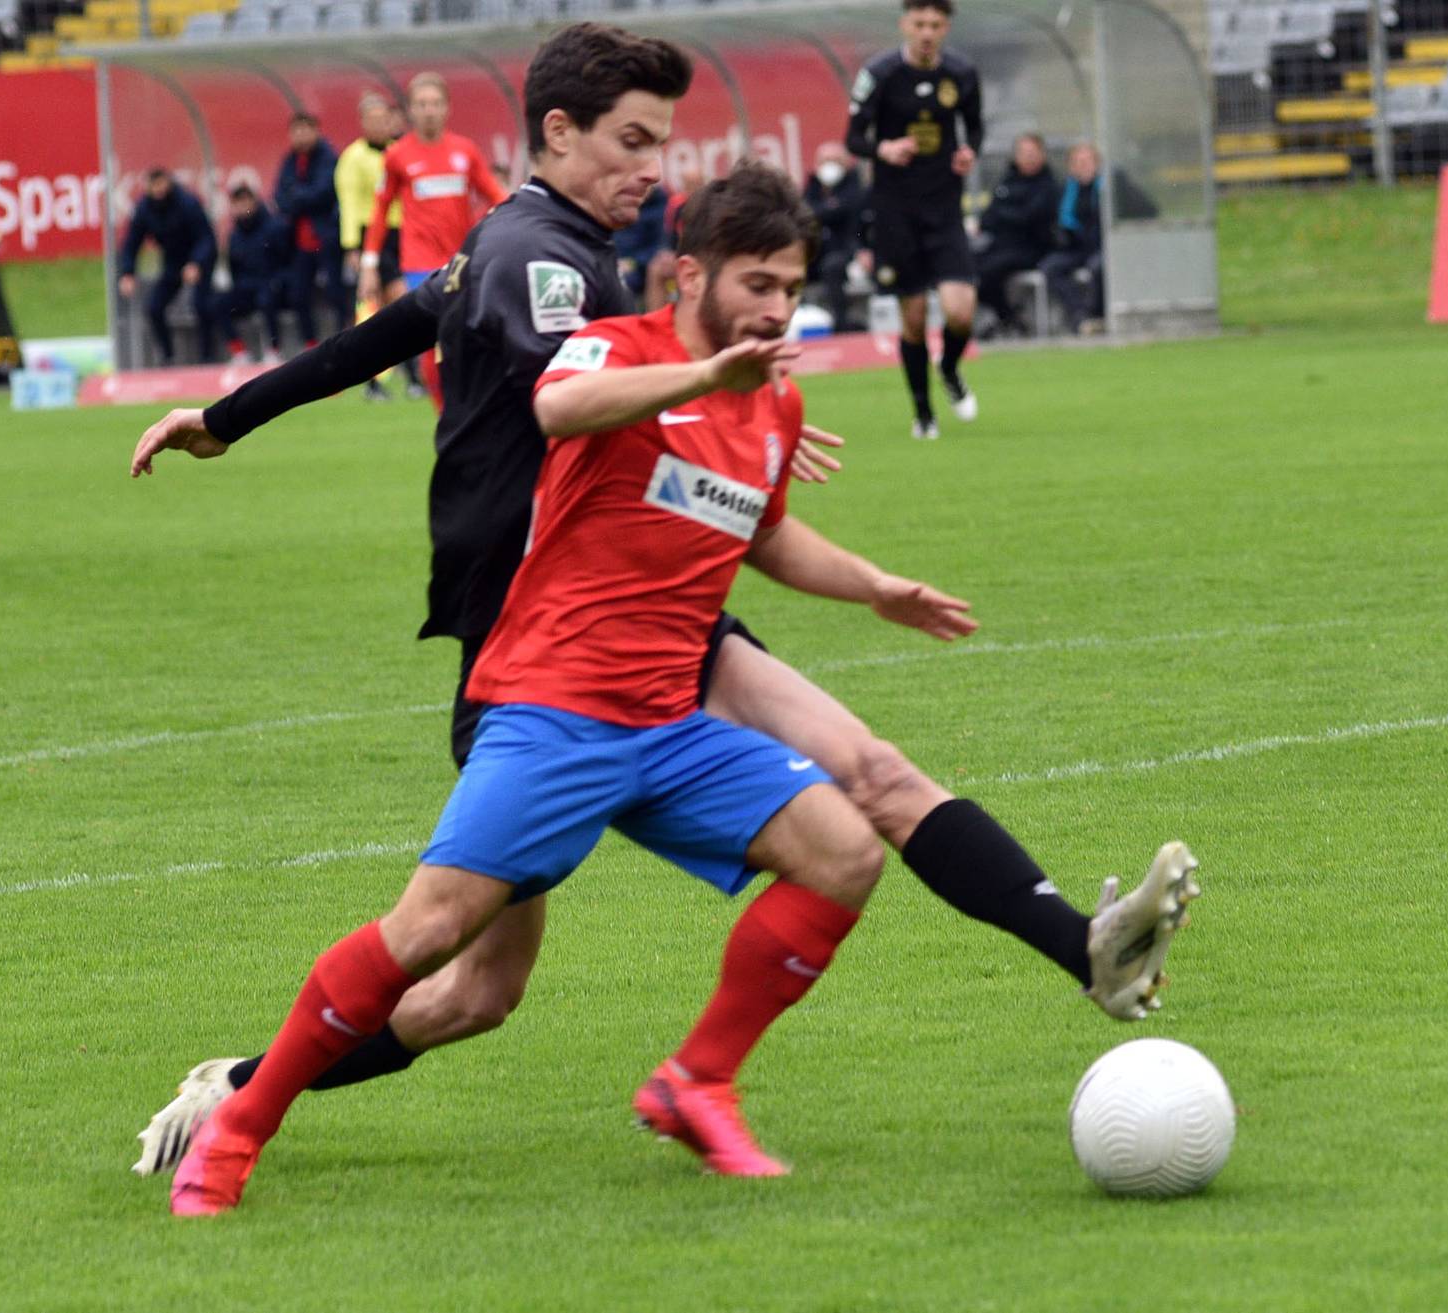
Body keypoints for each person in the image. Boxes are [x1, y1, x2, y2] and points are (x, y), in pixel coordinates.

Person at [126, 21, 1198, 1181]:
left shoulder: (520, 236)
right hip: (543, 629)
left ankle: (1074, 950)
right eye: (632, 141)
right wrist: (707, 395)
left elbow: (392, 327)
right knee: (471, 984)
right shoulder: (547, 260)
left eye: (663, 141)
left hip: (644, 604)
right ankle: (241, 1090)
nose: (653, 166)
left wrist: (226, 417)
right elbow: (565, 396)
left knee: (863, 785)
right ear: (559, 132)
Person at [847, 0, 983, 440]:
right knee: (914, 317)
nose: (927, 32)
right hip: (896, 211)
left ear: (947, 28)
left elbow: (975, 127)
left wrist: (968, 152)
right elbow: (853, 136)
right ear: (905, 24)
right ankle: (923, 413)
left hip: (944, 208)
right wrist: (882, 149)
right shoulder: (880, 74)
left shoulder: (961, 74)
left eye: (936, 25)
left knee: (961, 311)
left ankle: (949, 369)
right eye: (920, 23)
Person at [359, 70, 509, 408]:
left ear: (447, 108)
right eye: (422, 104)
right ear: (410, 110)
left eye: (435, 103)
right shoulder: (398, 156)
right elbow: (380, 211)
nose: (429, 110)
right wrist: (369, 264)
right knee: (431, 338)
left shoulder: (465, 152)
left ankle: (467, 403)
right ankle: (444, 412)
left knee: (468, 335)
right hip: (418, 263)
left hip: (461, 259)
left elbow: (495, 195)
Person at [335, 93, 417, 401]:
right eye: (374, 119)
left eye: (385, 118)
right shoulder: (352, 158)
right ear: (363, 121)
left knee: (389, 311)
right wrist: (353, 247)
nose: (380, 124)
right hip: (371, 238)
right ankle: (397, 379)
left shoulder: (398, 152)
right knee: (397, 305)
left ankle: (394, 381)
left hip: (402, 236)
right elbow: (350, 203)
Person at [118, 168, 218, 365]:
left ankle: (208, 357)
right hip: (173, 261)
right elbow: (132, 242)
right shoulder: (145, 208)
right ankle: (168, 357)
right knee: (154, 307)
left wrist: (196, 263)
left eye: (161, 184)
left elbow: (206, 238)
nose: (158, 190)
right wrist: (127, 272)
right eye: (153, 186)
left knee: (202, 304)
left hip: (199, 259)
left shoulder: (187, 203)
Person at [273, 111, 346, 350]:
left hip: (326, 237)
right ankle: (311, 344)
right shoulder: (289, 160)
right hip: (299, 241)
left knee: (335, 293)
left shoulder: (327, 157)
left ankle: (345, 341)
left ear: (316, 131)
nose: (301, 136)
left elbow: (323, 192)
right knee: (298, 295)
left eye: (306, 130)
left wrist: (298, 195)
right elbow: (280, 195)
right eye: (297, 131)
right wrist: (299, 197)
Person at [973, 132, 1059, 338]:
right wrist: (1008, 214)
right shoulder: (1007, 181)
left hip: (1032, 248)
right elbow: (987, 218)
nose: (1028, 157)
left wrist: (1004, 213)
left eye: (1032, 152)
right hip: (1000, 246)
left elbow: (1029, 218)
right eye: (1023, 152)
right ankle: (1009, 318)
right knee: (965, 268)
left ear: (1042, 155)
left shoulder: (1047, 186)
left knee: (988, 272)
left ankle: (1009, 319)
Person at [214, 184, 291, 365]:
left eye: (244, 202)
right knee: (218, 304)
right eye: (236, 204)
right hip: (246, 287)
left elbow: (286, 260)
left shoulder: (274, 227)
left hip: (272, 285)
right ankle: (240, 352)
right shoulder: (234, 235)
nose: (241, 208)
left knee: (267, 300)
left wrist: (279, 281)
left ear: (254, 202)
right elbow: (234, 267)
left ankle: (273, 350)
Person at [1039, 142, 1104, 335]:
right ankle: (1079, 315)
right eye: (1078, 162)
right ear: (1071, 167)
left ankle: (1097, 314)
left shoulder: (1110, 188)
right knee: (1050, 267)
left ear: (1097, 163)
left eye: (1087, 161)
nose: (1083, 166)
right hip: (1077, 248)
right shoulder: (1065, 191)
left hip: (1103, 247)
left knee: (1098, 266)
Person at [803, 142, 869, 331]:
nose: (830, 166)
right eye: (825, 161)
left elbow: (846, 214)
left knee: (832, 266)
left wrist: (823, 211)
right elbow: (805, 215)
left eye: (835, 161)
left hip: (847, 255)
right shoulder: (811, 190)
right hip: (816, 254)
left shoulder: (856, 190)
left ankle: (841, 325)